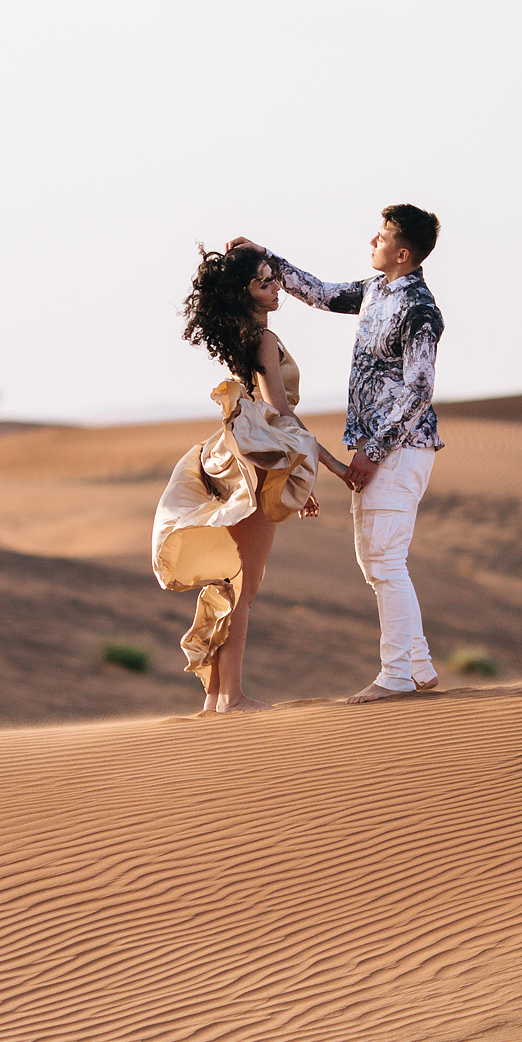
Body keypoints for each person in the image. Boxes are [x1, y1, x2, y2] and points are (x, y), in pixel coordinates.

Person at [225, 204, 444, 704]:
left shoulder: (421, 311)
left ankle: (397, 674)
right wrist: (266, 256)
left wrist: (374, 451)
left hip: (400, 448)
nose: (373, 240)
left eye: (383, 236)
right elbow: (320, 294)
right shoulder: (375, 292)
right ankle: (417, 665)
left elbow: (420, 390)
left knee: (384, 559)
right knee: (377, 559)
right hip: (378, 448)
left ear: (403, 252)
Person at [151, 246, 355, 715]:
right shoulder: (263, 340)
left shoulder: (244, 336)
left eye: (272, 279)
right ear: (245, 294)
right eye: (265, 282)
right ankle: (234, 696)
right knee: (244, 582)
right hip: (258, 460)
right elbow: (282, 416)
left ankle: (214, 698)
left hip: (232, 452)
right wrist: (328, 467)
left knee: (228, 579)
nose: (276, 287)